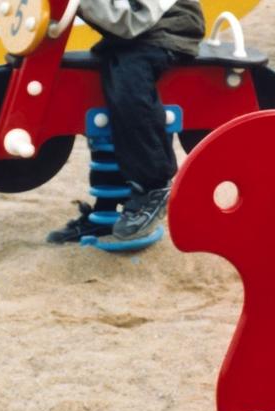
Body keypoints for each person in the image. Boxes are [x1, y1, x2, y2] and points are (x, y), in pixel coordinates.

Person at [46, 0, 205, 244]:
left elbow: (130, 19)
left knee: (128, 84)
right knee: (102, 84)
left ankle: (155, 185)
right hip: (133, 34)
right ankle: (106, 214)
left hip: (168, 29)